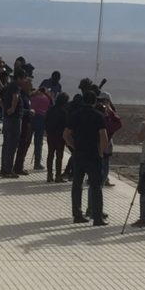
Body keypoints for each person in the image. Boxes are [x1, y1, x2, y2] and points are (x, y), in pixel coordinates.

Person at [64, 91, 109, 226]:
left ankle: (77, 214)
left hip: (79, 154)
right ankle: (97, 217)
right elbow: (103, 137)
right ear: (94, 101)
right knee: (95, 186)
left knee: (77, 184)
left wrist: (74, 146)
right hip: (93, 154)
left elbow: (65, 135)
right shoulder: (98, 116)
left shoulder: (75, 115)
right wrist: (101, 152)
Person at [0, 69, 28, 178]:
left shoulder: (8, 86)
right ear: (19, 78)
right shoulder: (15, 87)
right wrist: (12, 108)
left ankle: (4, 169)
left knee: (6, 144)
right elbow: (15, 97)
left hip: (8, 118)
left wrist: (5, 108)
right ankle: (7, 170)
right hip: (14, 119)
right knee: (11, 145)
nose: (24, 81)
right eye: (23, 78)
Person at [45, 92, 69, 182]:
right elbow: (66, 124)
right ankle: (58, 176)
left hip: (51, 135)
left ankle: (49, 174)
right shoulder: (64, 111)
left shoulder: (51, 109)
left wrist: (47, 131)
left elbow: (46, 121)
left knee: (50, 154)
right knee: (59, 156)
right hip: (60, 136)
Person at [28, 87, 51, 170]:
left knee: (26, 142)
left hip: (30, 118)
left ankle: (20, 162)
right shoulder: (46, 98)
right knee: (38, 143)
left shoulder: (32, 96)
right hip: (40, 119)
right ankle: (37, 163)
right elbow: (49, 109)